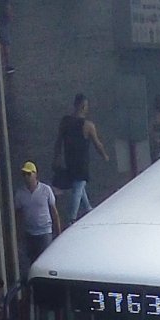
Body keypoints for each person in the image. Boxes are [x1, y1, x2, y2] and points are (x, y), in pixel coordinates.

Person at [53, 93, 109, 225]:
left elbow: (58, 141)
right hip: (82, 163)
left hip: (70, 160)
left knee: (79, 186)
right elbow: (97, 144)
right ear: (83, 107)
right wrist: (105, 155)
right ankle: (72, 219)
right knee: (78, 187)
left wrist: (56, 157)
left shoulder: (65, 121)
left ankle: (88, 207)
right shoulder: (88, 125)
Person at [14, 161, 61, 270]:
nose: (26, 177)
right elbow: (18, 214)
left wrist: (58, 233)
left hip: (45, 231)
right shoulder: (20, 193)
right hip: (29, 233)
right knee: (32, 261)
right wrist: (18, 234)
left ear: (35, 174)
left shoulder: (46, 190)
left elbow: (54, 212)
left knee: (46, 261)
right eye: (24, 174)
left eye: (29, 174)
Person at [0, 0, 14, 75]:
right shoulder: (5, 2)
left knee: (0, 42)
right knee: (5, 43)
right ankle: (6, 64)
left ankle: (0, 63)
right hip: (3, 21)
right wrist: (10, 16)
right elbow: (7, 8)